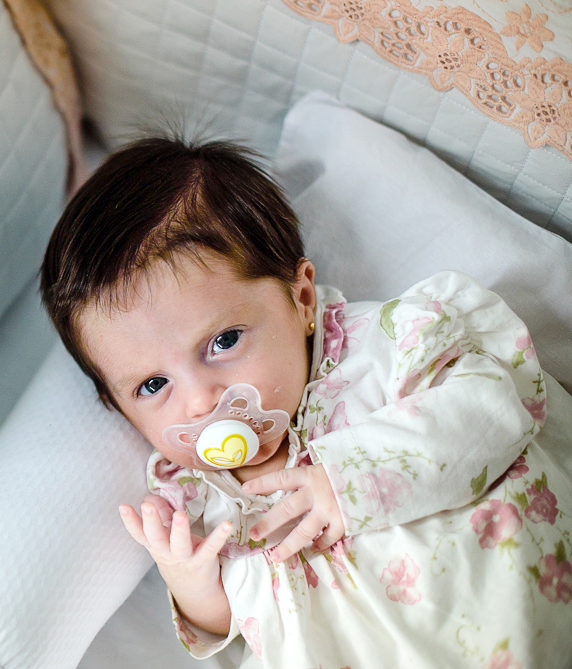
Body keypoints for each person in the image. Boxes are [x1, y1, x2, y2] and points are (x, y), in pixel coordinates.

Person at [39, 134, 571, 668]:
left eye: (223, 342)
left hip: (497, 614)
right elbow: (233, 631)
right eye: (154, 386)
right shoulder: (195, 500)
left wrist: (353, 478)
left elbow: (495, 403)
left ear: (302, 299)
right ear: (118, 407)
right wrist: (191, 583)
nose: (202, 401)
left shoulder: (381, 351)